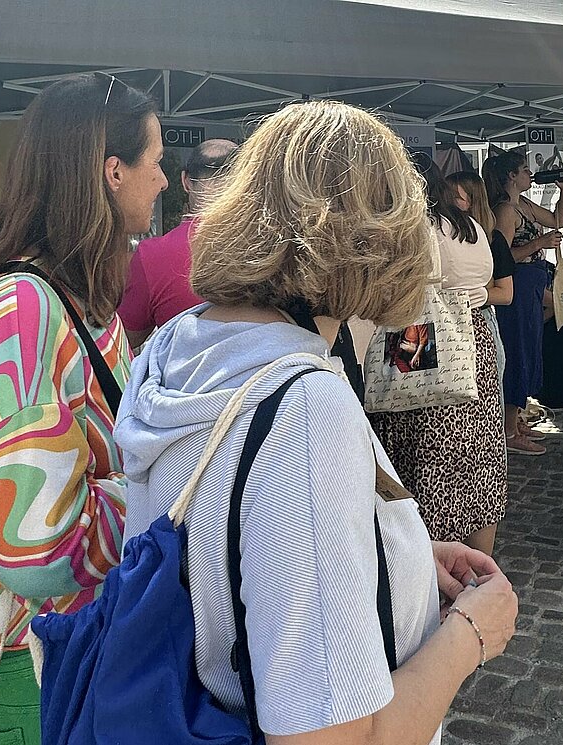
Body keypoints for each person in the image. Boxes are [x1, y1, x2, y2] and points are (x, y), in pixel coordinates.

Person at [117, 100, 516, 745]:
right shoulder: (302, 410)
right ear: (373, 239)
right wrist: (472, 635)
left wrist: (395, 560)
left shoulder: (178, 344)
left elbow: (237, 549)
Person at [0, 72, 166, 743]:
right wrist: (167, 495)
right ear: (112, 171)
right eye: (155, 162)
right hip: (31, 672)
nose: (165, 181)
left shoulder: (71, 299)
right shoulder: (25, 312)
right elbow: (36, 547)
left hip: (71, 651)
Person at [370, 154, 510, 556]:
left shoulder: (412, 229)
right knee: (479, 451)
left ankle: (429, 559)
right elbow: (483, 283)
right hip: (474, 337)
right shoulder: (471, 228)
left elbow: (398, 292)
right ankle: (480, 557)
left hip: (419, 334)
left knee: (420, 441)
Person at [485, 150, 563, 456]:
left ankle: (516, 420)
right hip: (517, 284)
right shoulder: (506, 211)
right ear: (511, 176)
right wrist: (538, 244)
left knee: (529, 347)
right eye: (524, 170)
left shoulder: (525, 206)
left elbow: (558, 219)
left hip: (532, 281)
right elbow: (502, 259)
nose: (530, 175)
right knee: (518, 351)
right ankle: (508, 430)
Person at [118, 138, 237, 349]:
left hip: (188, 380)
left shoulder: (152, 256)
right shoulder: (275, 247)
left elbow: (123, 343)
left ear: (185, 181)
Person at [446, 170, 514, 388]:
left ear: (472, 201)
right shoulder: (446, 235)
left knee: (487, 389)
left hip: (480, 319)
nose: (448, 203)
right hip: (449, 321)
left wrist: (477, 294)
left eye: (455, 197)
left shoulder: (494, 239)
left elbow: (506, 294)